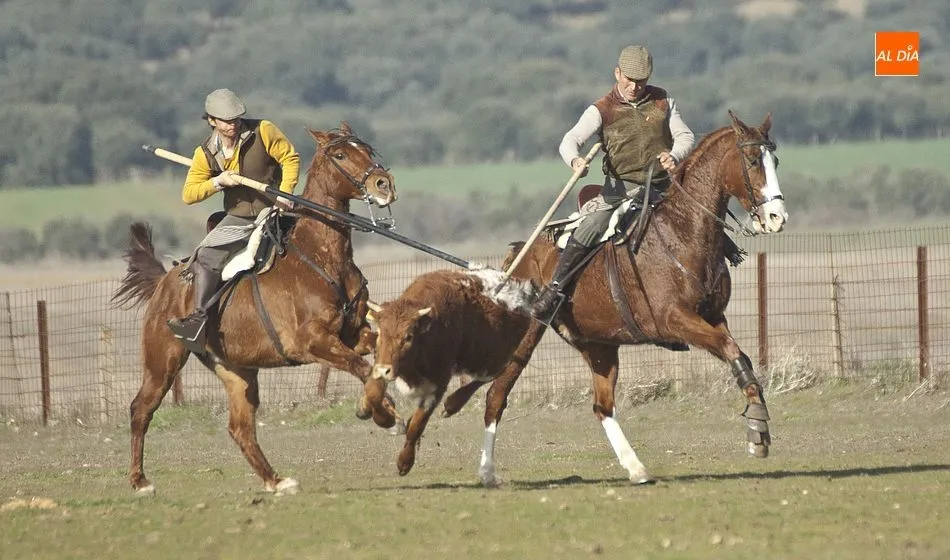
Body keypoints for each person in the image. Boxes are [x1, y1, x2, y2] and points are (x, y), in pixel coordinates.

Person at [530, 45, 695, 324]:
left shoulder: (664, 101)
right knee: (592, 224)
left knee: (701, 223)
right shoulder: (601, 109)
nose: (634, 86)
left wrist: (674, 154)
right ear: (617, 73)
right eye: (628, 79)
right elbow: (569, 141)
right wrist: (575, 162)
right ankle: (555, 289)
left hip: (662, 188)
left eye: (640, 81)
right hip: (620, 191)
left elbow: (685, 136)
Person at [167, 88, 300, 352]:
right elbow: (189, 194)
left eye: (237, 119)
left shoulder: (264, 130)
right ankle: (199, 319)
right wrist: (217, 182)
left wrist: (285, 191)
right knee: (204, 257)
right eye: (226, 120)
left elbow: (290, 157)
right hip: (238, 219)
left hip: (276, 210)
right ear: (211, 121)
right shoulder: (205, 154)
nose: (233, 125)